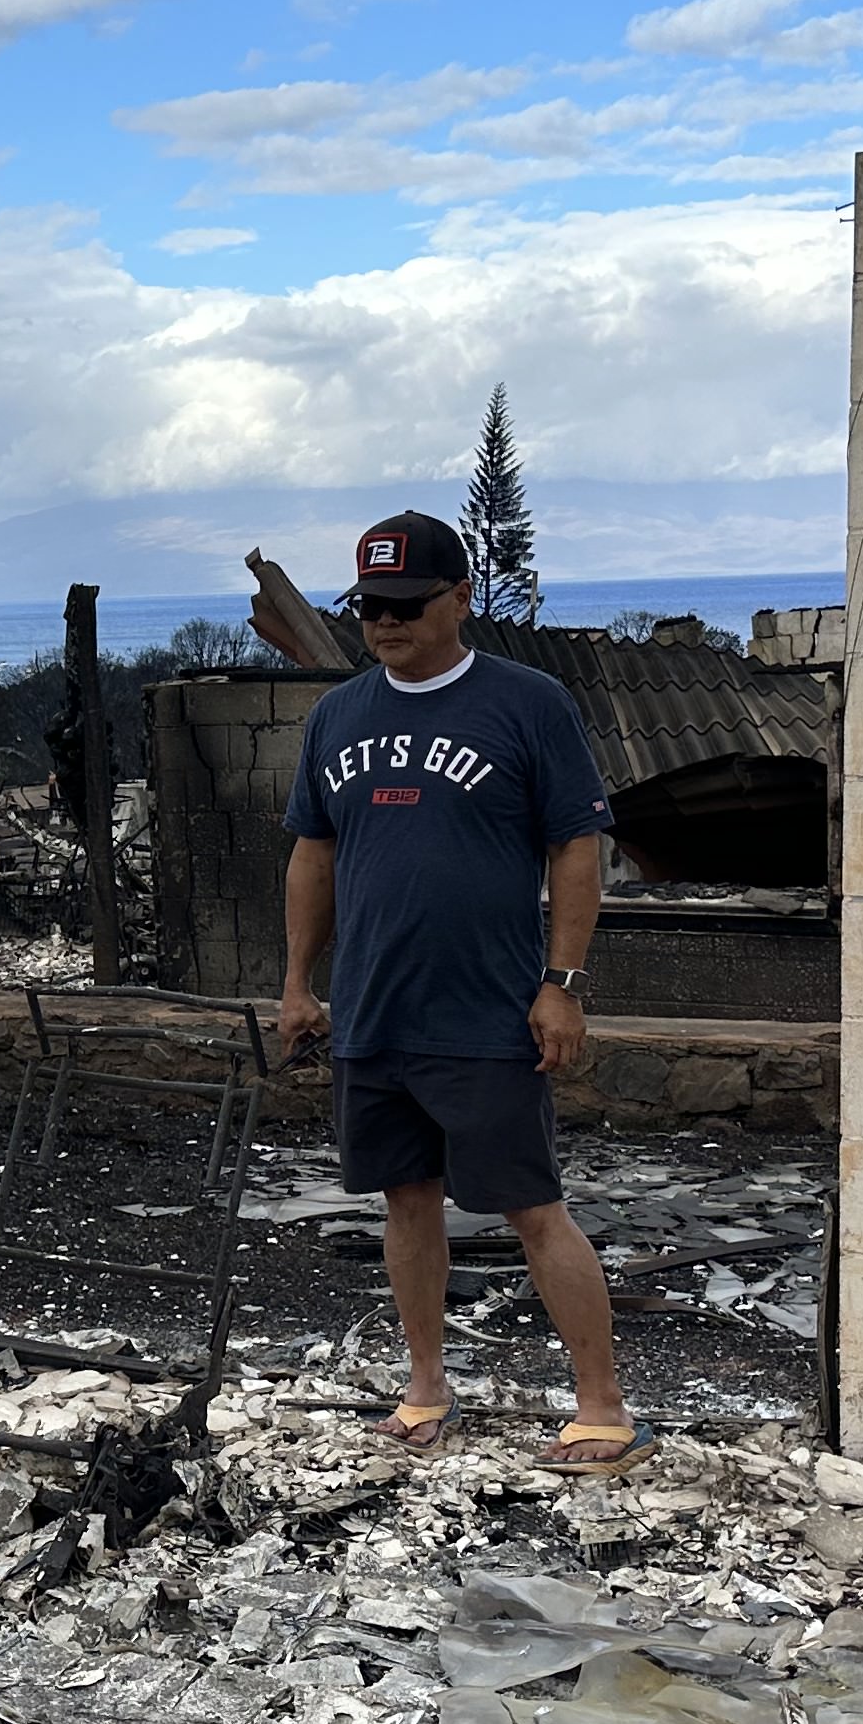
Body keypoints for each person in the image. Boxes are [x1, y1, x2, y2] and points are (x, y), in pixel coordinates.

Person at [270, 511, 645, 1472]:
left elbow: (576, 846)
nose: (386, 623)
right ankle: (425, 1387)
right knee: (406, 1201)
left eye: (406, 604)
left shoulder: (527, 704)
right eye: (369, 608)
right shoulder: (337, 716)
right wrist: (298, 984)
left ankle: (602, 1406)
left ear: (460, 599)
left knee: (531, 1206)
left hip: (487, 1011)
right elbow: (314, 853)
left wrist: (561, 983)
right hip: (374, 1010)